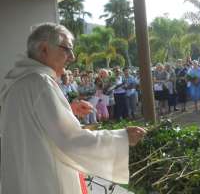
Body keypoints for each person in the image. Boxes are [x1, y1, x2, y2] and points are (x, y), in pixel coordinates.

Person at [0, 23, 146, 194]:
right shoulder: (40, 83)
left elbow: (29, 124)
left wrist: (67, 109)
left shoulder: (17, 83)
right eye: (67, 49)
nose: (73, 57)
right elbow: (70, 140)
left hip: (23, 178)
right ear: (44, 49)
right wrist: (121, 137)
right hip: (44, 180)